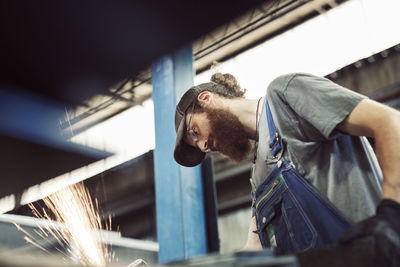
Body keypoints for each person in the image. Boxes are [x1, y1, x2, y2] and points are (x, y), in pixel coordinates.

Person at [173, 72, 400, 264]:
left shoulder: (284, 96)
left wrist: (392, 215)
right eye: (198, 146)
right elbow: (254, 249)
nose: (203, 145)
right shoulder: (258, 177)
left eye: (195, 132)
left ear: (206, 99)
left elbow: (389, 121)